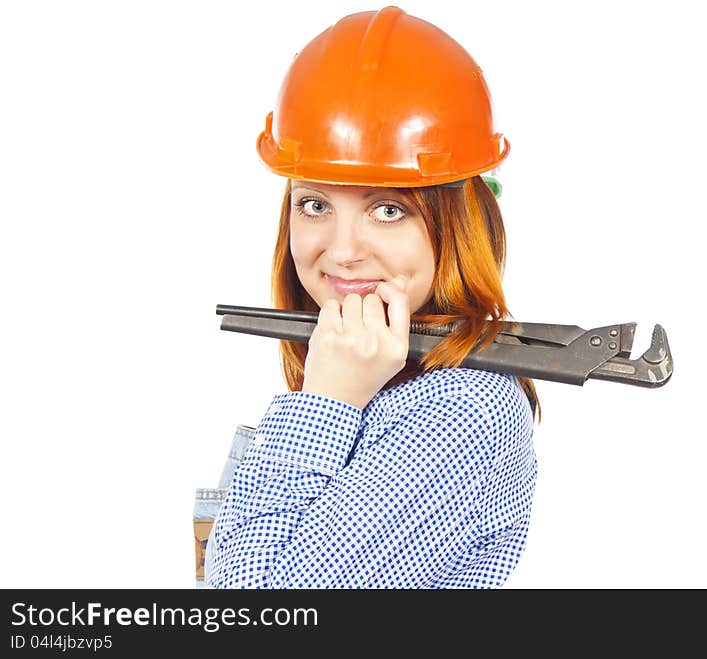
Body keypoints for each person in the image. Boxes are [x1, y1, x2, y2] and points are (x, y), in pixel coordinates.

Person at [206, 6, 540, 589]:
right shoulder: (371, 369)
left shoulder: (462, 411)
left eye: (388, 210)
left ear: (458, 222)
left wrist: (324, 406)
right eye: (315, 205)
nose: (342, 252)